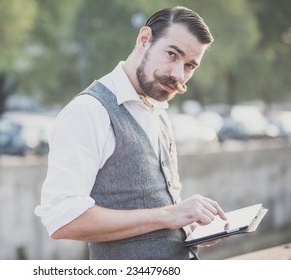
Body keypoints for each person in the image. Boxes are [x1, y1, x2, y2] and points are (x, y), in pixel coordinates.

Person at [34, 6, 227, 260]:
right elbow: (62, 218)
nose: (178, 75)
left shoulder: (158, 110)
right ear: (144, 39)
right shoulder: (88, 111)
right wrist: (170, 214)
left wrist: (190, 225)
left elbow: (158, 208)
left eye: (190, 65)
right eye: (172, 54)